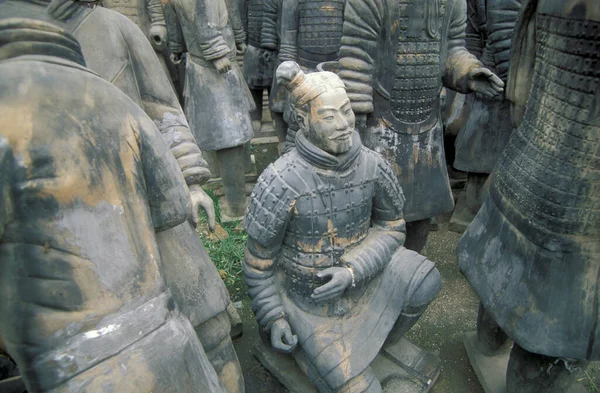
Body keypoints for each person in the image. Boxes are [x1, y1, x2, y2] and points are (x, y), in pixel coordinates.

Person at [0, 17, 226, 393]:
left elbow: (160, 105)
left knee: (210, 323)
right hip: (111, 284)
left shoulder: (113, 27)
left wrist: (193, 179)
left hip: (150, 227)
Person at [244, 61, 441, 393]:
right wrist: (275, 316)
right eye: (328, 116)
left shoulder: (372, 164)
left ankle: (371, 343)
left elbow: (392, 226)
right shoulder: (281, 180)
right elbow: (258, 264)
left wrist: (353, 270)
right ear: (304, 121)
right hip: (308, 306)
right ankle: (321, 358)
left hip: (364, 283)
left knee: (426, 279)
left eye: (346, 111)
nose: (342, 125)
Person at [458, 0, 600, 391]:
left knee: (506, 272)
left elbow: (519, 96)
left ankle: (487, 347)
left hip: (528, 158)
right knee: (560, 330)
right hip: (583, 198)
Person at [337, 0, 504, 252]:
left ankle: (412, 262)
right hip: (378, 126)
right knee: (373, 209)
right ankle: (373, 268)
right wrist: (355, 121)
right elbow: (356, 56)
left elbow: (451, 49)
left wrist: (469, 72)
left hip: (427, 131)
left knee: (422, 208)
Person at [165, 0, 256, 220]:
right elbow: (196, 12)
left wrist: (239, 36)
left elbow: (228, 7)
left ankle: (236, 189)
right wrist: (216, 52)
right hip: (213, 69)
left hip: (219, 65)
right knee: (229, 137)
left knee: (234, 134)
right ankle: (236, 207)